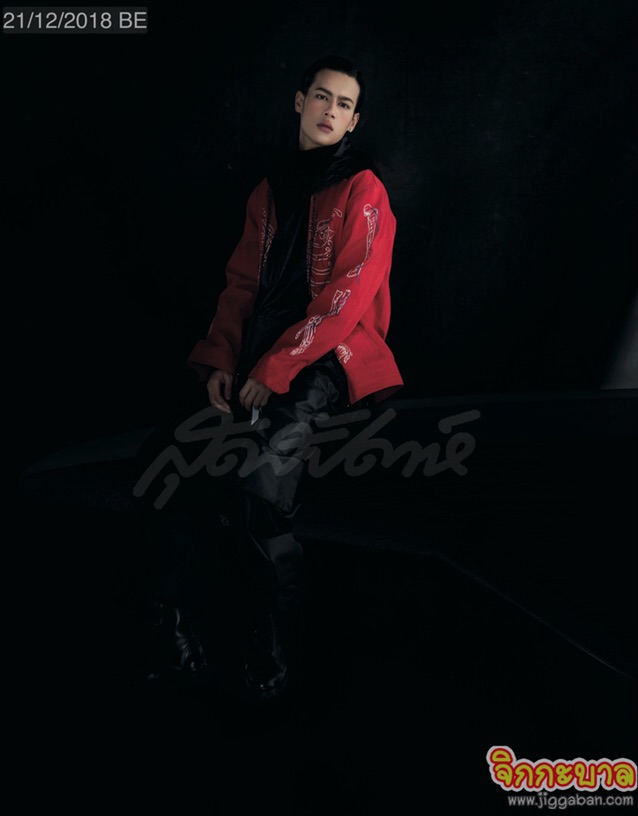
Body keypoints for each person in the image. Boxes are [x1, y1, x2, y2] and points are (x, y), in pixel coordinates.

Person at [134, 54, 403, 702]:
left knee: (261, 483)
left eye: (344, 104)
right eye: (322, 96)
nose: (331, 110)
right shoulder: (267, 190)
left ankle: (271, 640)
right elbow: (241, 288)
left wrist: (277, 369)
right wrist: (222, 362)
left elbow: (346, 296)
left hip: (327, 356)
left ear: (354, 121)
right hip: (254, 352)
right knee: (163, 468)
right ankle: (174, 637)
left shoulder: (363, 188)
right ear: (299, 102)